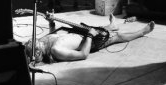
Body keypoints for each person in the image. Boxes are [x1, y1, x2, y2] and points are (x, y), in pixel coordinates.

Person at [24, 14, 155, 62]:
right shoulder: (56, 51)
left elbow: (54, 34)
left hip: (79, 33)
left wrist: (51, 23)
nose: (36, 40)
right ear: (38, 53)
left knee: (96, 28)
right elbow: (83, 54)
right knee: (117, 36)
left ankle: (112, 25)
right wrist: (90, 36)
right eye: (34, 43)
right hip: (90, 41)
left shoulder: (44, 42)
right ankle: (142, 32)